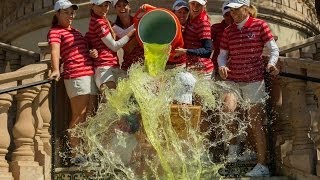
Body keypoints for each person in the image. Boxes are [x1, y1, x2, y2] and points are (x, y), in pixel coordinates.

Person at [217, 0, 279, 176]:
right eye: (231, 11)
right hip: (233, 79)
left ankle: (262, 165)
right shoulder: (228, 31)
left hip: (254, 80)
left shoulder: (260, 25)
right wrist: (222, 66)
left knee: (255, 121)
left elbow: (274, 50)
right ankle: (233, 153)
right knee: (227, 110)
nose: (233, 14)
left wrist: (272, 64)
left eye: (237, 10)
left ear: (246, 8)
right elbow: (222, 56)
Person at [47, 0, 98, 160]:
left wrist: (92, 53)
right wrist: (56, 69)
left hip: (89, 74)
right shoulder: (55, 31)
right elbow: (55, 51)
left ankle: (87, 152)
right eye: (66, 12)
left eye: (72, 12)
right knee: (78, 115)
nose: (71, 15)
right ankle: (76, 155)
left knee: (90, 115)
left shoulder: (76, 31)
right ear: (57, 14)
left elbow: (83, 50)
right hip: (76, 75)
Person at [86, 0, 136, 94]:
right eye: (100, 6)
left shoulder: (103, 19)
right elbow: (114, 46)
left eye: (106, 5)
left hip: (113, 66)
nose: (104, 8)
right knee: (111, 103)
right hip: (103, 68)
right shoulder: (98, 22)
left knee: (124, 100)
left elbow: (89, 38)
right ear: (92, 6)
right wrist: (132, 33)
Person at [174, 0, 213, 79]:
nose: (195, 6)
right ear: (189, 4)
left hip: (203, 71)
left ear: (204, 5)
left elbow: (208, 51)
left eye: (199, 4)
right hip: (192, 68)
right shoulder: (190, 19)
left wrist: (185, 51)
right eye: (193, 3)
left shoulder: (203, 23)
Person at [112, 0, 144, 72]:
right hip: (129, 66)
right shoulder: (113, 29)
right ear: (115, 9)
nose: (122, 8)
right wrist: (138, 33)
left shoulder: (139, 21)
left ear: (129, 7)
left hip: (145, 62)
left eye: (124, 5)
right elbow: (127, 49)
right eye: (119, 6)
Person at [211, 1, 233, 79]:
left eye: (231, 14)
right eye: (226, 15)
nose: (229, 17)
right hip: (216, 67)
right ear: (223, 15)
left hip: (233, 69)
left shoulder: (239, 29)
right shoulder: (215, 28)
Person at [165, 0, 190, 70]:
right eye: (179, 12)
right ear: (173, 12)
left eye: (185, 12)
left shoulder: (190, 26)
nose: (182, 15)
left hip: (182, 64)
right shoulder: (167, 26)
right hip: (166, 64)